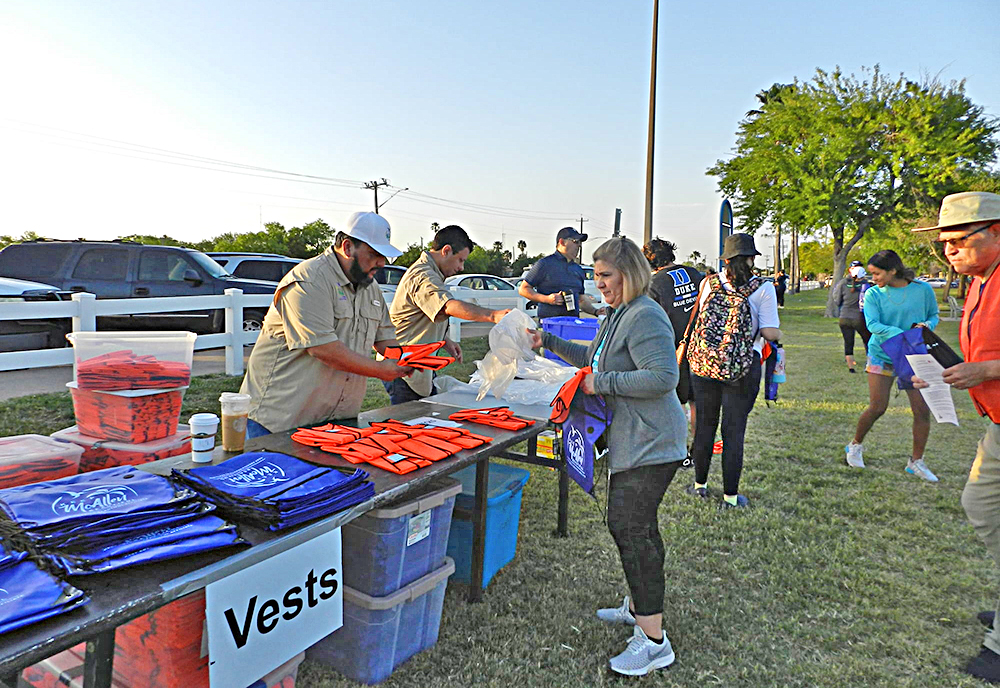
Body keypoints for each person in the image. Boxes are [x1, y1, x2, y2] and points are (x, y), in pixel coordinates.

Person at [528, 237, 687, 676]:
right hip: (633, 441)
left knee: (629, 527)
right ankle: (639, 608)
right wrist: (548, 340)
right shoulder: (619, 313)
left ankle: (653, 641)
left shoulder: (646, 315)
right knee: (635, 527)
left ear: (631, 274)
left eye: (605, 277)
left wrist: (602, 385)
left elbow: (662, 376)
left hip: (653, 442)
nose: (598, 286)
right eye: (595, 277)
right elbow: (594, 358)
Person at [910, 191, 1000, 682]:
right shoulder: (980, 282)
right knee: (980, 506)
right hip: (996, 422)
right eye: (943, 243)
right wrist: (944, 372)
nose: (949, 250)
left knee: (985, 506)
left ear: (996, 232)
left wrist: (985, 368)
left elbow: (988, 361)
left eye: (960, 240)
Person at [240, 212, 413, 437]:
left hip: (336, 424)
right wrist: (381, 370)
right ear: (348, 247)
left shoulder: (371, 288)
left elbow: (385, 340)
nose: (381, 263)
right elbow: (323, 349)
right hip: (279, 423)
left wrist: (408, 358)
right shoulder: (309, 281)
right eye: (374, 254)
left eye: (384, 256)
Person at [686, 233, 781, 508]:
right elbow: (768, 332)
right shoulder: (763, 289)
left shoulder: (709, 284)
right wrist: (779, 335)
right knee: (733, 431)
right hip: (742, 367)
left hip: (704, 365)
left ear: (725, 260)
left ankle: (700, 485)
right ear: (751, 259)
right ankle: (730, 496)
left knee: (704, 426)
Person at [387, 225, 512, 404]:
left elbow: (424, 315)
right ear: (446, 251)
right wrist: (493, 316)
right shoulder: (423, 275)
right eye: (460, 260)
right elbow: (447, 306)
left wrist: (445, 340)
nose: (461, 267)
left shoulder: (432, 273)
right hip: (402, 367)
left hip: (416, 364)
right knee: (409, 423)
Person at [844, 249, 939, 481]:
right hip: (882, 353)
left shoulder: (923, 290)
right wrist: (900, 335)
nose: (873, 278)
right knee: (878, 407)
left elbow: (934, 315)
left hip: (914, 356)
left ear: (893, 270)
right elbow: (873, 324)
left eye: (877, 274)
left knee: (921, 410)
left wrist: (926, 325)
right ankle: (855, 445)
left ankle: (916, 462)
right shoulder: (873, 293)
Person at [643, 237, 703, 436]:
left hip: (673, 349)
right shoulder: (695, 274)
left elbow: (651, 320)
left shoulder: (654, 284)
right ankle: (698, 446)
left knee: (676, 400)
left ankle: (679, 445)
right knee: (698, 401)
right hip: (702, 346)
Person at [518, 226, 606, 319]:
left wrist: (595, 311)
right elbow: (523, 289)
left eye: (580, 243)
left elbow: (581, 299)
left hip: (572, 325)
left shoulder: (578, 269)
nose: (579, 246)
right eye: (575, 241)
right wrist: (547, 299)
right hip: (550, 325)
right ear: (562, 242)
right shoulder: (544, 264)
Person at [834, 261, 872, 373]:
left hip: (844, 317)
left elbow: (837, 300)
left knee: (848, 342)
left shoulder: (843, 283)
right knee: (868, 341)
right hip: (860, 318)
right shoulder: (867, 285)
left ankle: (851, 367)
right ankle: (869, 365)